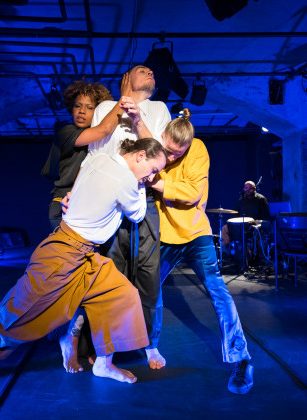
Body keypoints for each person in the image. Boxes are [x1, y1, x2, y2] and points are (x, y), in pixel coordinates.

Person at [0, 138, 167, 389]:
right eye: (153, 170)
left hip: (86, 255)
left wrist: (73, 196)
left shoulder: (100, 158)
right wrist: (142, 186)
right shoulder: (126, 179)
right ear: (140, 156)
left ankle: (103, 364)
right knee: (8, 319)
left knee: (120, 293)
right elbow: (137, 214)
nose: (152, 177)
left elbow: (83, 178)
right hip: (62, 256)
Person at [59, 64, 171, 372]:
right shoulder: (106, 107)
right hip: (108, 199)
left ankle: (150, 343)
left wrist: (137, 120)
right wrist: (75, 193)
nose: (150, 72)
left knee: (149, 275)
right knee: (108, 274)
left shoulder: (160, 108)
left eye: (152, 71)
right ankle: (102, 348)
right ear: (126, 78)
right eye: (142, 69)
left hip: (144, 197)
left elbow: (158, 155)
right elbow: (93, 156)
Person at [147, 109, 254, 394]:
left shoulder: (197, 148)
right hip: (165, 237)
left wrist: (156, 182)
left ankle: (242, 359)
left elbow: (192, 194)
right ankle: (150, 346)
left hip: (196, 234)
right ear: (162, 137)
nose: (172, 157)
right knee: (149, 289)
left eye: (178, 153)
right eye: (169, 150)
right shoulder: (157, 145)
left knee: (219, 292)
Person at [48, 76, 132, 230]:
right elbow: (104, 129)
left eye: (89, 107)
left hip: (86, 203)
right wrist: (124, 98)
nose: (82, 111)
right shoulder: (66, 132)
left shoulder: (100, 143)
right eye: (77, 106)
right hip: (65, 203)